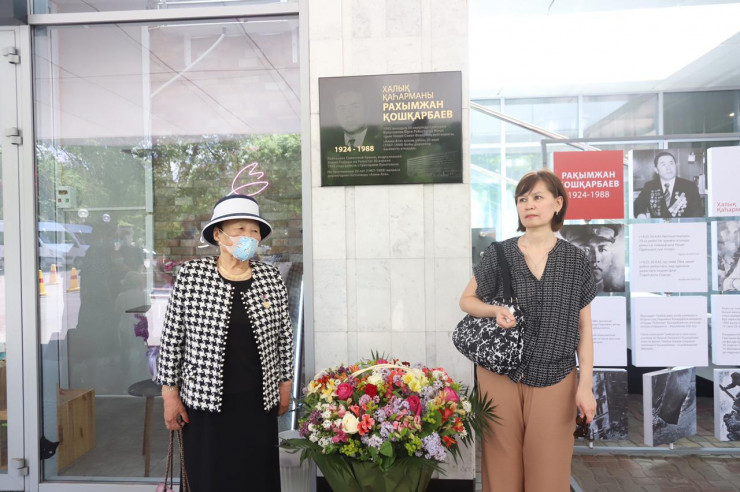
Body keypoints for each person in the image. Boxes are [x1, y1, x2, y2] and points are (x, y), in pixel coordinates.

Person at [459, 169, 597, 492]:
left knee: (549, 472)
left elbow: (585, 327)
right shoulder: (499, 253)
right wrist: (494, 310)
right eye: (522, 199)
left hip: (556, 374)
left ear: (557, 203)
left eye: (537, 197)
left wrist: (586, 386)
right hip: (500, 374)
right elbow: (467, 300)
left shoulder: (576, 260)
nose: (529, 205)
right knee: (500, 468)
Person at [157, 194, 294, 492]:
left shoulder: (270, 277)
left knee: (255, 476)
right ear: (218, 235)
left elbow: (284, 335)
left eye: (254, 230)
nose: (249, 237)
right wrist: (170, 394)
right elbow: (172, 338)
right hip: (204, 403)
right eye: (240, 229)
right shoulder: (193, 275)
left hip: (258, 401)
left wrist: (285, 384)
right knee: (209, 476)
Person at [633, 151, 704, 218]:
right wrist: (641, 214)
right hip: (658, 226)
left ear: (675, 166)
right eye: (663, 164)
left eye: (671, 163)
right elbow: (638, 203)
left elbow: (697, 211)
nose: (668, 168)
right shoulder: (649, 186)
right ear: (656, 170)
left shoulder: (689, 186)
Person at [561, 225, 625, 293]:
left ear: (611, 256)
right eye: (585, 250)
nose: (596, 258)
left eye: (603, 249)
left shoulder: (617, 291)